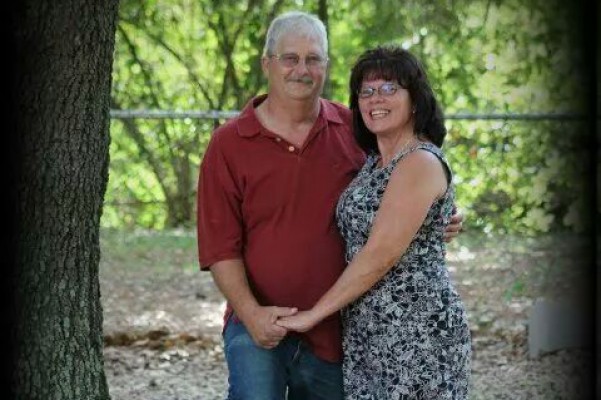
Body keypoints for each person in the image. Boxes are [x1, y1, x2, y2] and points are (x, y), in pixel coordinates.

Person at [197, 11, 463, 400]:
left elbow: (410, 180)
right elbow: (219, 246)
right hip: (258, 323)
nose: (301, 70)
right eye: (290, 58)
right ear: (267, 64)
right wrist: (251, 314)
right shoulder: (228, 143)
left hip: (337, 330)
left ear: (326, 65)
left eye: (313, 59)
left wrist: (442, 214)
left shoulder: (355, 130)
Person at [277, 45, 471, 399]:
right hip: (368, 333)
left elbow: (380, 253)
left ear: (415, 101)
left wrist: (314, 314)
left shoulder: (419, 161)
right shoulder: (373, 163)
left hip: (417, 332)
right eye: (366, 91)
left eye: (389, 88)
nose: (375, 98)